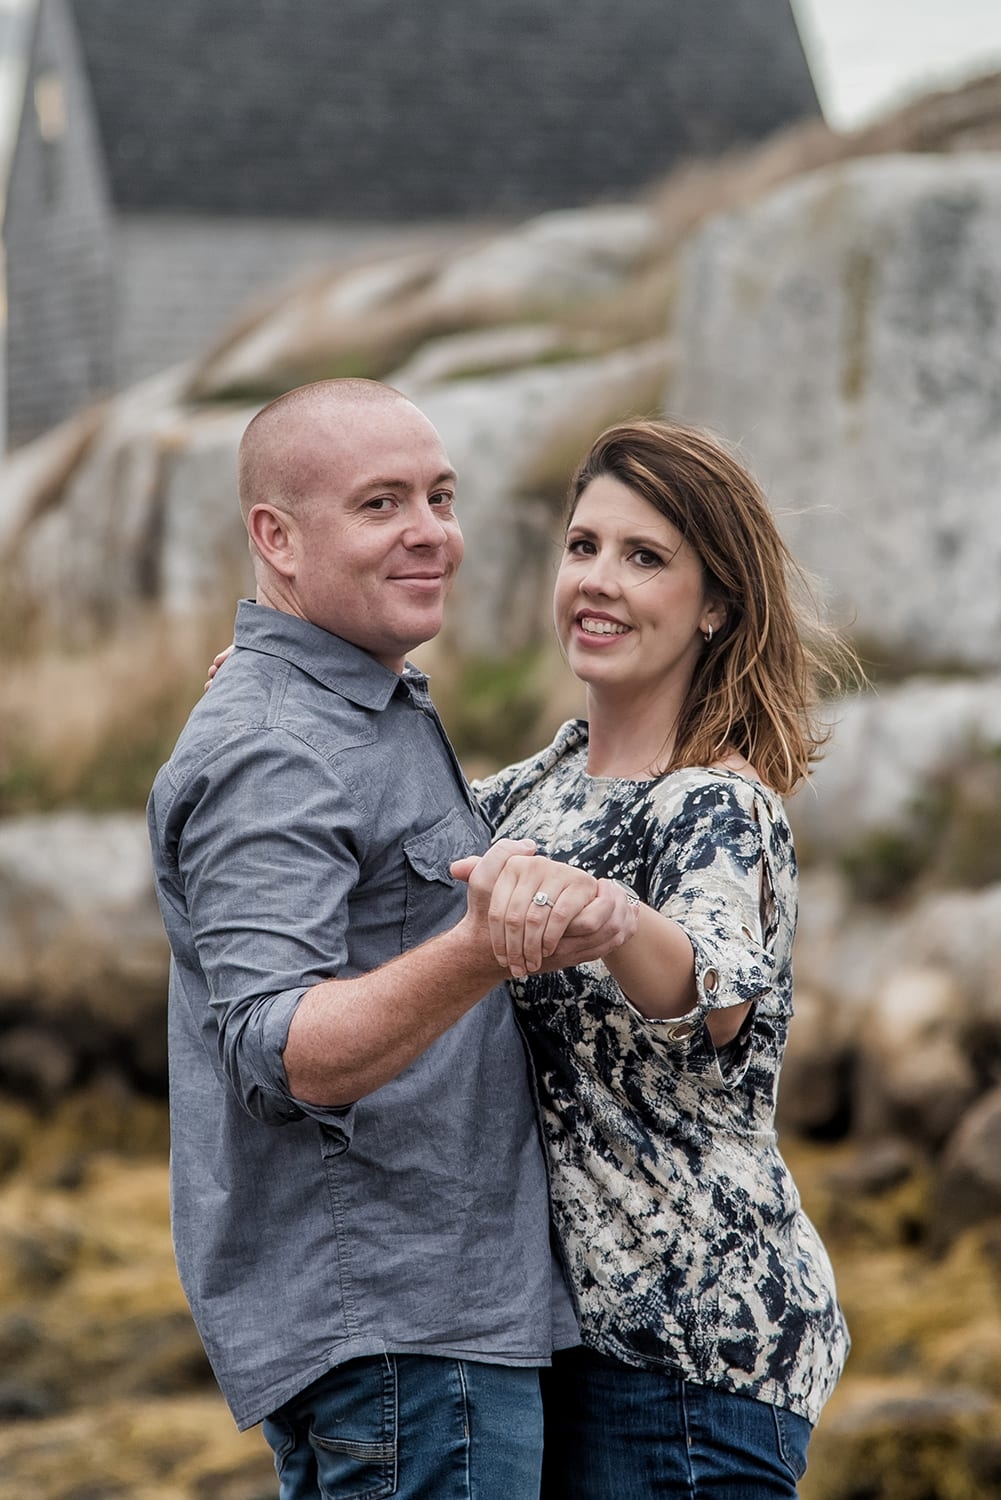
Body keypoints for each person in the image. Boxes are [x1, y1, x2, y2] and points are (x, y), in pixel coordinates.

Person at [146, 378, 638, 1500]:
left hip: (434, 1335)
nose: (431, 534)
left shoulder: (354, 702)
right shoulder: (278, 746)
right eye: (380, 504)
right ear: (275, 538)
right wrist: (484, 945)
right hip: (403, 1345)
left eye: (440, 496)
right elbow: (284, 1047)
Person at [452, 418, 856, 1497]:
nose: (599, 581)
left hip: (696, 1355)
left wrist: (617, 922)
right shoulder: (528, 792)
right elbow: (393, 854)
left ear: (714, 604)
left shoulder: (717, 803)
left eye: (644, 558)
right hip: (570, 1347)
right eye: (583, 546)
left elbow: (712, 986)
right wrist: (293, 678)